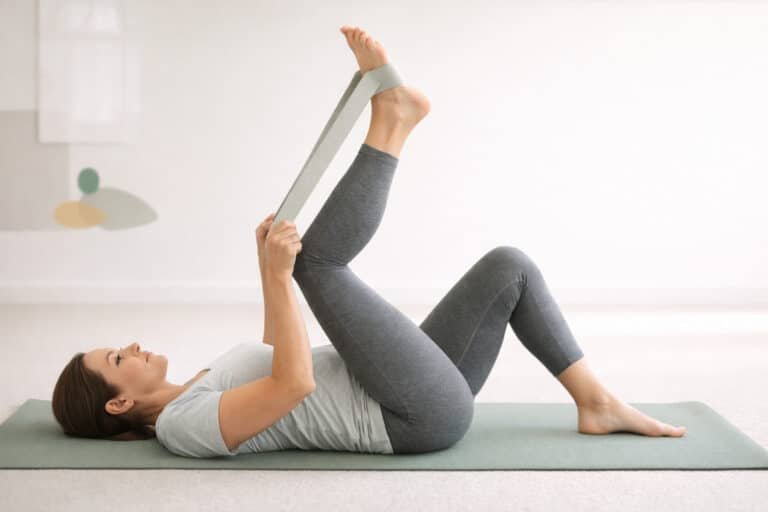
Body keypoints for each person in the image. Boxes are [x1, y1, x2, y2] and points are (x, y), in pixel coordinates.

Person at [51, 25, 686, 457]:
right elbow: (293, 386)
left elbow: (278, 353)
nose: (130, 346)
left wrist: (263, 270)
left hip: (405, 386)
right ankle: (393, 120)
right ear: (120, 404)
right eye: (116, 359)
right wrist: (282, 275)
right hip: (408, 416)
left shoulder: (195, 383)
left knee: (508, 268)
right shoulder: (182, 427)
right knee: (317, 264)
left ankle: (596, 402)